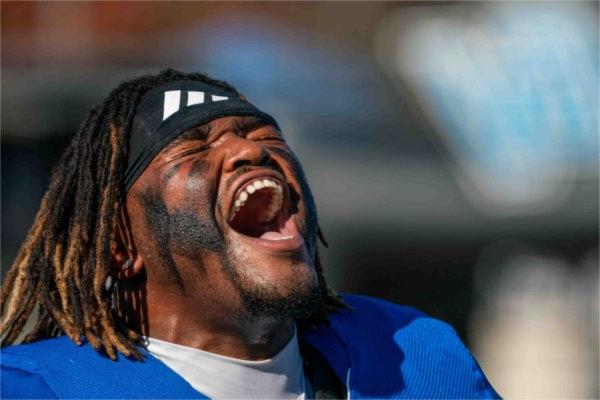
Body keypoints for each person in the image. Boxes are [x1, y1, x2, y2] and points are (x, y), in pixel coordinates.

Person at [0, 69, 499, 399]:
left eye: (266, 137)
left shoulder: (417, 357)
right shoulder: (34, 388)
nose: (248, 151)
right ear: (121, 245)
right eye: (193, 148)